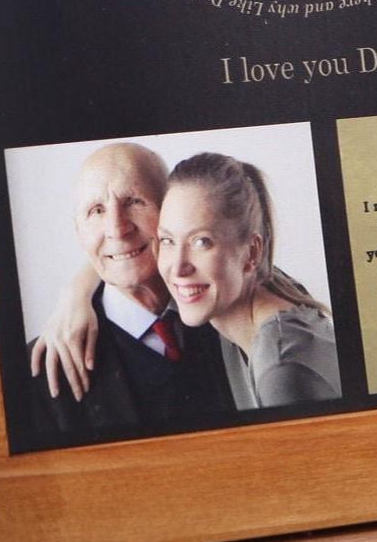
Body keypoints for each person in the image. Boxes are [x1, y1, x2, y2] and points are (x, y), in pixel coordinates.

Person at [23, 141, 234, 443]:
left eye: (134, 202)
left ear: (170, 212)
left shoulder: (231, 306)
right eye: (96, 211)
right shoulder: (40, 371)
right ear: (78, 232)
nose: (117, 229)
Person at [154, 151, 342, 409]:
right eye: (167, 240)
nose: (177, 267)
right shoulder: (266, 283)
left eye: (201, 242)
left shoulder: (282, 372)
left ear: (252, 252)